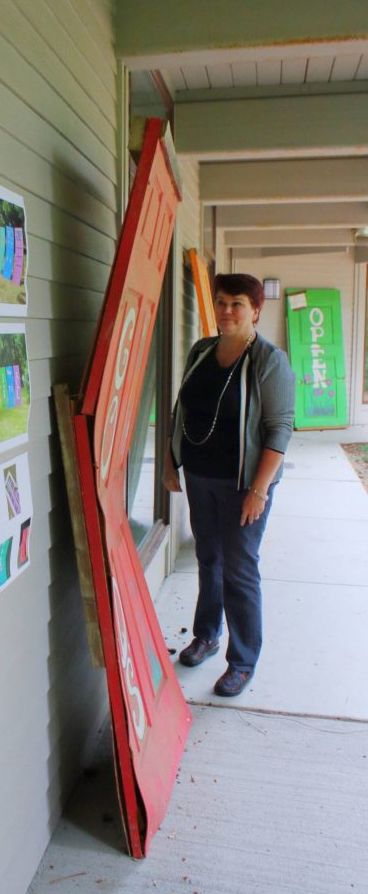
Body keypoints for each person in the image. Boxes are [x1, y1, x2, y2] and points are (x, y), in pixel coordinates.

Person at [162, 273, 295, 697]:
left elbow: (279, 430)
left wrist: (259, 490)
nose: (226, 310)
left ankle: (242, 661)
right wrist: (171, 461)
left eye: (237, 303)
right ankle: (206, 635)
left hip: (244, 486)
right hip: (200, 477)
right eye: (221, 301)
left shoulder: (269, 361)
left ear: (256, 310)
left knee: (239, 570)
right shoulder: (202, 350)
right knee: (209, 558)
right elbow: (181, 409)